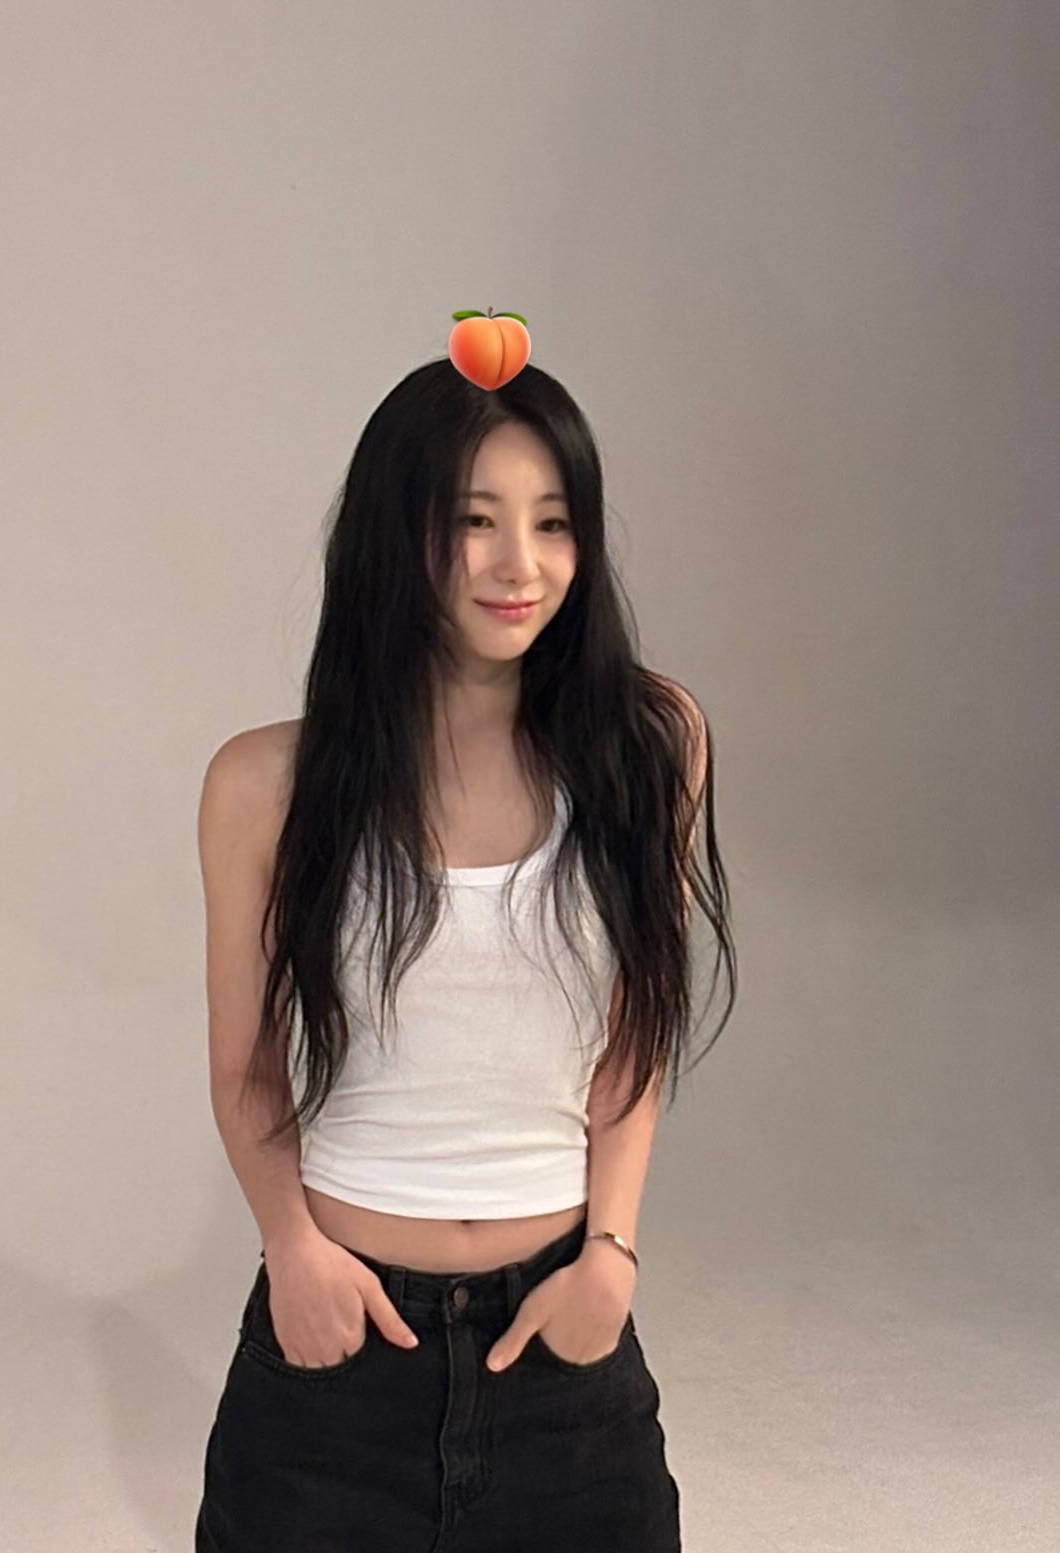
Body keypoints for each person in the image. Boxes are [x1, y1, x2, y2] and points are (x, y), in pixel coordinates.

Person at [193, 356, 736, 1551]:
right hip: (335, 1356)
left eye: (553, 522)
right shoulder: (264, 783)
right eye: (473, 521)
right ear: (396, 537)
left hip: (561, 1350)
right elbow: (247, 1068)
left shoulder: (651, 745)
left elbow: (632, 1040)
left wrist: (610, 1254)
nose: (518, 564)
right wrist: (292, 1249)